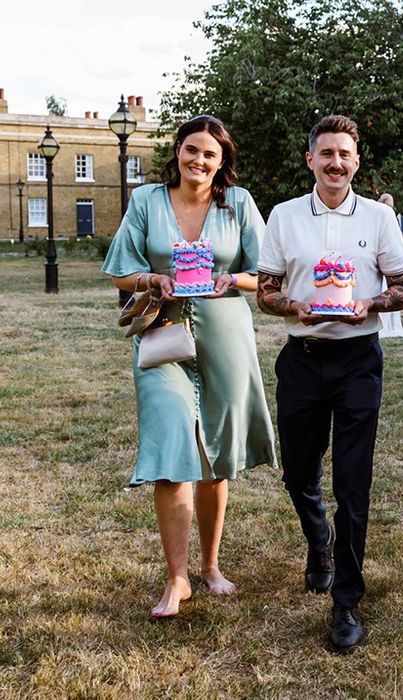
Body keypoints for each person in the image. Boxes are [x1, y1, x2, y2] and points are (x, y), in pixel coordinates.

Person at [102, 115, 277, 617]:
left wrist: (233, 280)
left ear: (221, 164)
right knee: (170, 439)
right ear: (177, 150)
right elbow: (119, 272)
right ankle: (176, 578)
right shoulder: (146, 201)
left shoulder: (238, 203)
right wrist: (152, 280)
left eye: (210, 155)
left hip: (225, 334)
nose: (199, 161)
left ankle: (211, 565)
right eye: (192, 149)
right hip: (162, 337)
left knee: (216, 451)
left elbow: (264, 270)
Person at [256, 114, 403, 653]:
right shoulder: (284, 216)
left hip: (358, 359)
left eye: (345, 154)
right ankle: (318, 541)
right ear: (311, 160)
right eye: (326, 154)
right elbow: (266, 289)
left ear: (357, 161)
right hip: (301, 357)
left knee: (352, 481)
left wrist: (371, 302)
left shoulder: (377, 217)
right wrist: (292, 304)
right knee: (298, 470)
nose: (336, 163)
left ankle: (346, 600)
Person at [377, 192, 403, 339]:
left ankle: (389, 325)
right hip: (384, 260)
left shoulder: (385, 217)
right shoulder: (384, 217)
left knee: (392, 288)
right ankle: (385, 324)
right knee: (385, 288)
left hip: (390, 260)